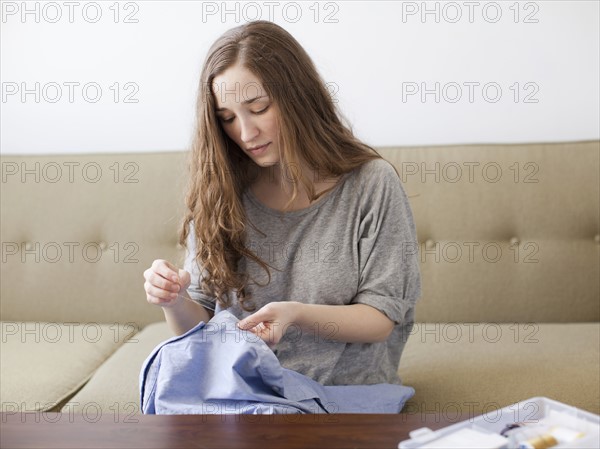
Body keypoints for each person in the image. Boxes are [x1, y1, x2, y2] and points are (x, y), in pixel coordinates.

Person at [143, 20, 421, 387]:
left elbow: (381, 319)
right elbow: (201, 327)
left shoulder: (371, 184)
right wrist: (174, 299)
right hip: (241, 391)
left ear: (297, 97)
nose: (245, 133)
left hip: (342, 395)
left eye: (258, 108)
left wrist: (296, 315)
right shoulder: (222, 188)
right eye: (227, 118)